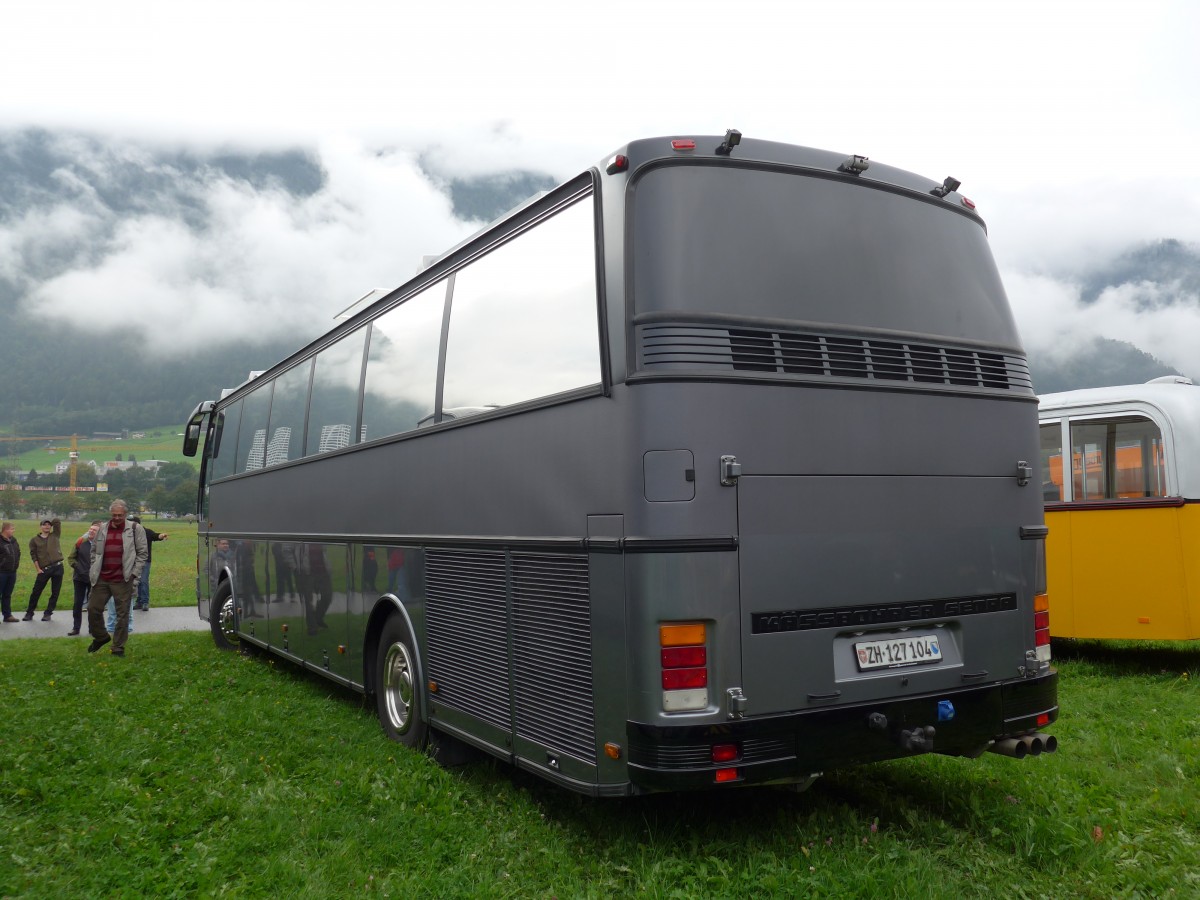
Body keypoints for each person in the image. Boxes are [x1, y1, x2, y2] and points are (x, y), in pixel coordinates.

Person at [86, 500, 148, 658]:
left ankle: (118, 647)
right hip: (102, 578)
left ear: (125, 514)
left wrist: (134, 574)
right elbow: (94, 551)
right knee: (93, 609)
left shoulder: (135, 529)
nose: (117, 518)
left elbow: (142, 554)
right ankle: (101, 637)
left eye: (120, 515)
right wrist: (94, 568)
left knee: (122, 615)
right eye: (114, 515)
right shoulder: (102, 529)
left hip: (123, 579)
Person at [25, 517, 64, 621]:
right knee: (36, 591)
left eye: (48, 524)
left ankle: (48, 613)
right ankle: (29, 613)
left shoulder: (55, 535)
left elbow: (57, 522)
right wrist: (38, 569)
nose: (46, 526)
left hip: (58, 567)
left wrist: (50, 521)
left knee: (55, 592)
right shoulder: (34, 540)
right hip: (44, 569)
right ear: (40, 526)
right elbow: (34, 556)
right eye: (44, 524)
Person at [67, 521, 101, 636]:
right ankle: (76, 628)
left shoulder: (102, 545)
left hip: (94, 579)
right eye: (90, 529)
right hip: (79, 578)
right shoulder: (80, 542)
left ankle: (92, 628)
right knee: (77, 604)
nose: (91, 531)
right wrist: (78, 568)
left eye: (94, 530)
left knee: (92, 605)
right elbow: (71, 558)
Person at [129, 515, 168, 611]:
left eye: (130, 522)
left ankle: (145, 602)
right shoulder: (128, 533)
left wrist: (161, 536)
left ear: (136, 524)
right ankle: (139, 602)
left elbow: (155, 536)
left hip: (145, 561)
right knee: (135, 582)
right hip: (132, 561)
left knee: (143, 580)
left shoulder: (146, 532)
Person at [0, 521, 20, 623]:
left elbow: (18, 552)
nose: (13, 530)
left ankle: (7, 615)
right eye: (12, 529)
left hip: (12, 572)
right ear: (6, 529)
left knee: (7, 594)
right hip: (1, 572)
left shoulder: (13, 540)